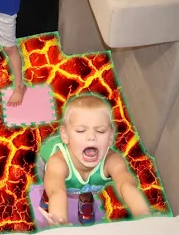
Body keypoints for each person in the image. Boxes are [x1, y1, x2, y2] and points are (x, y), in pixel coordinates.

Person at [35, 93, 152, 227]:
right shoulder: (58, 162)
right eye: (80, 131)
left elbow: (126, 184)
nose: (91, 137)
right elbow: (57, 192)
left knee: (86, 188)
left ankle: (85, 199)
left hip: (86, 182)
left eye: (101, 131)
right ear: (65, 135)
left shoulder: (112, 160)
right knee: (52, 185)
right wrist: (59, 220)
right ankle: (46, 196)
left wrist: (144, 216)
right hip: (47, 163)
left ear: (110, 137)